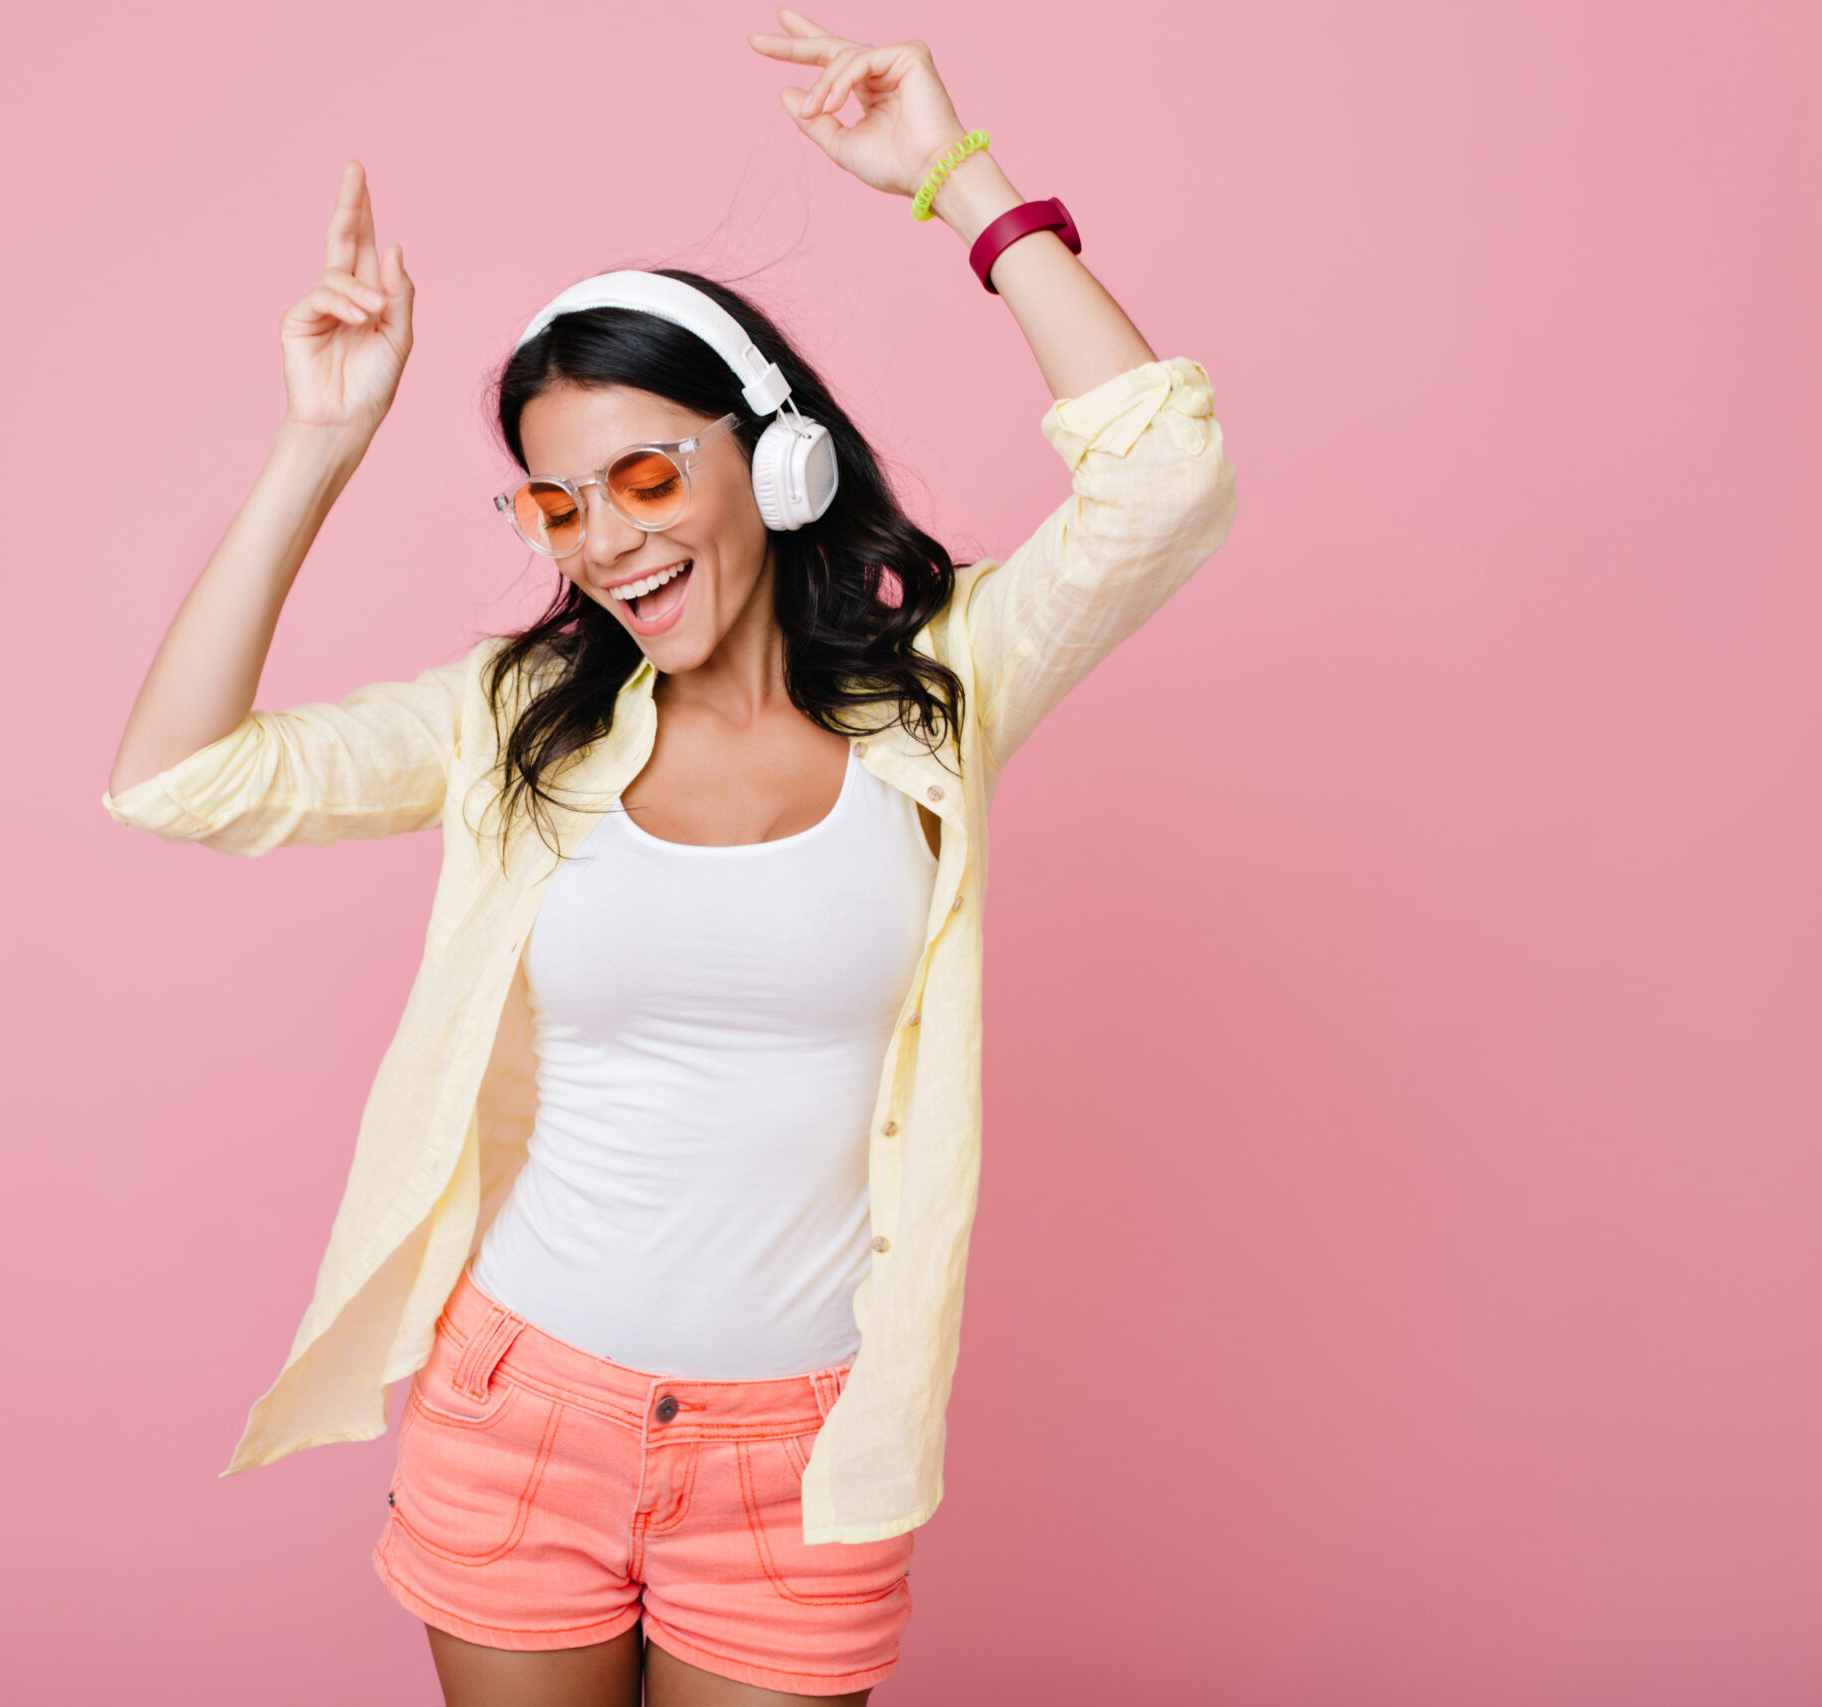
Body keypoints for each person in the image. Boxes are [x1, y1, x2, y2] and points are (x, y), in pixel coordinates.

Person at [103, 11, 1236, 1703]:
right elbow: (182, 777)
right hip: (522, 1418)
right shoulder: (517, 724)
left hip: (803, 1462)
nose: (609, 539)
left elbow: (1165, 479)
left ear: (775, 462)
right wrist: (317, 446)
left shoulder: (941, 699)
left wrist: (954, 175)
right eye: (558, 504)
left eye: (643, 472)